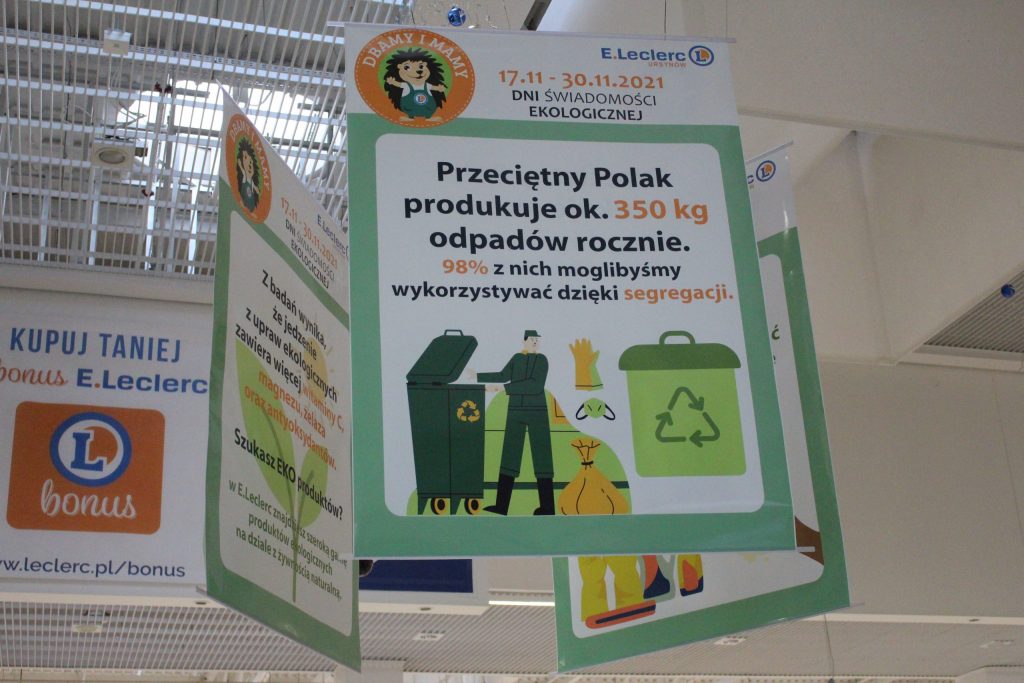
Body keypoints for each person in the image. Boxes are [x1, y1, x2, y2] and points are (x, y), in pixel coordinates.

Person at [475, 330, 554, 515]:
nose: (535, 342)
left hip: (537, 413)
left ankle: (548, 508)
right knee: (509, 457)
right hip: (515, 412)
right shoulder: (517, 358)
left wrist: (504, 388)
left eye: (537, 339)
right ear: (524, 341)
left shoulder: (542, 360)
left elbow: (535, 385)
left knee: (542, 459)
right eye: (532, 339)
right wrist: (477, 376)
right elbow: (503, 375)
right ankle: (501, 507)